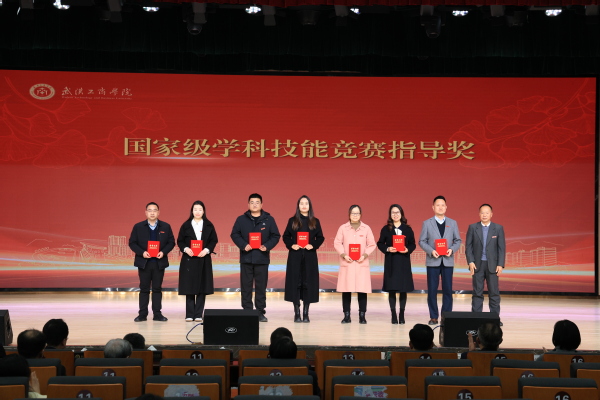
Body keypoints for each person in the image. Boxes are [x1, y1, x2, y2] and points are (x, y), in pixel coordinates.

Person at [230, 193, 281, 322]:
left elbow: (275, 236)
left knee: (261, 287)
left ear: (261, 204)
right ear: (248, 204)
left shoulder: (269, 220)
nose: (254, 205)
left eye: (257, 202)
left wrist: (267, 246)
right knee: (246, 287)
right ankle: (247, 311)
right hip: (246, 258)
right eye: (252, 202)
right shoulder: (241, 219)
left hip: (262, 258)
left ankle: (260, 312)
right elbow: (234, 234)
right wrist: (243, 245)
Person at [128, 202, 175, 322]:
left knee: (157, 289)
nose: (152, 212)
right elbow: (132, 243)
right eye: (150, 210)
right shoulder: (138, 227)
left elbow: (171, 242)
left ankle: (157, 314)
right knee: (144, 289)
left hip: (159, 262)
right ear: (146, 212)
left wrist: (163, 252)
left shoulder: (165, 226)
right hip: (144, 263)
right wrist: (142, 252)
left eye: (155, 210)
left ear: (158, 212)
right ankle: (142, 314)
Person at [418, 195, 462, 326]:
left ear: (446, 207)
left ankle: (446, 316)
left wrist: (451, 250)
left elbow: (458, 240)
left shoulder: (452, 223)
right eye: (438, 205)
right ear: (433, 207)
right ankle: (433, 317)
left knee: (448, 290)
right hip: (433, 261)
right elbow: (422, 241)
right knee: (432, 290)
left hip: (448, 261)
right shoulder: (427, 223)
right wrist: (431, 251)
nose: (440, 207)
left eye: (443, 205)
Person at [282, 195, 325, 323]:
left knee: (308, 283)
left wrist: (313, 245)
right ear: (298, 206)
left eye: (306, 203)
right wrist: (292, 245)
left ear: (310, 206)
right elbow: (286, 236)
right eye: (301, 203)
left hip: (309, 256)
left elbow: (320, 238)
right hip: (295, 256)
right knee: (295, 283)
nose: (304, 206)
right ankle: (297, 313)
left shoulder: (315, 221)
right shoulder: (292, 221)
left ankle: (306, 313)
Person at [334, 204, 377, 324]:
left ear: (360, 215)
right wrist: (344, 255)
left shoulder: (366, 228)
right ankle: (346, 316)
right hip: (347, 262)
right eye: (353, 213)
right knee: (346, 290)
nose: (355, 215)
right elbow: (337, 243)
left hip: (361, 263)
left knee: (362, 290)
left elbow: (372, 244)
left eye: (357, 213)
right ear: (349, 214)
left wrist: (364, 255)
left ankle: (362, 316)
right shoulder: (343, 228)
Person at [177, 200, 218, 322]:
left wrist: (207, 250)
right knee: (189, 286)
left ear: (204, 211)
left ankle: (199, 314)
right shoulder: (186, 225)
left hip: (203, 258)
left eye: (200, 209)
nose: (197, 212)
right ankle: (189, 314)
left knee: (202, 287)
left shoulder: (209, 225)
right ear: (192, 211)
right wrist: (185, 249)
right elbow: (180, 241)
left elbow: (214, 240)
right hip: (189, 259)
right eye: (195, 209)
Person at [377, 204, 416, 325]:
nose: (395, 215)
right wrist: (388, 249)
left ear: (401, 214)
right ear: (390, 215)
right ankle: (393, 314)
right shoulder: (386, 229)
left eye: (397, 212)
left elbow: (413, 244)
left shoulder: (407, 229)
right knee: (392, 289)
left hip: (403, 262)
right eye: (393, 212)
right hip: (391, 262)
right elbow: (380, 243)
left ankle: (402, 314)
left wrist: (407, 249)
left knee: (403, 290)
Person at [466, 204, 506, 323]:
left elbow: (501, 248)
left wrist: (500, 264)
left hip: (493, 266)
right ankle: (476, 318)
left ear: (491, 214)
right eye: (482, 213)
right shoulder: (473, 227)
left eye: (487, 213)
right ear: (479, 214)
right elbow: (468, 247)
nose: (484, 215)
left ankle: (494, 318)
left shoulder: (498, 228)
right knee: (477, 293)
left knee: (494, 293)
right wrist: (470, 262)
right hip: (477, 265)